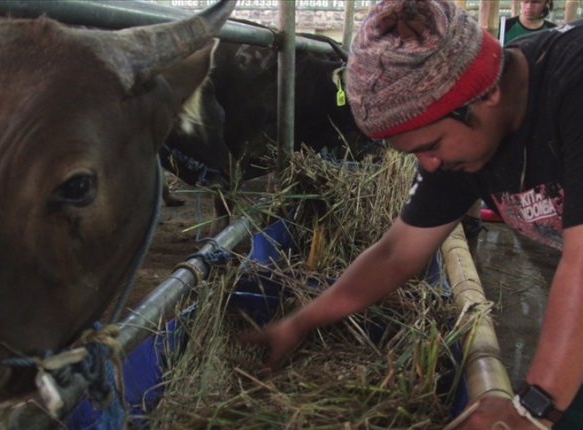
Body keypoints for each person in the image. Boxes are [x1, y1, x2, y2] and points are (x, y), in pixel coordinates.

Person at [241, 1, 583, 429]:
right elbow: (397, 254)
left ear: (486, 93)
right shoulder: (462, 142)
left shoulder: (573, 82)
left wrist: (532, 409)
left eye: (431, 145)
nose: (430, 165)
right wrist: (300, 322)